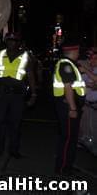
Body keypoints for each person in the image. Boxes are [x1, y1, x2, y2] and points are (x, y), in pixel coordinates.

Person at [0, 32, 37, 158]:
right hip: (1, 94)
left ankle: (14, 150)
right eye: (9, 40)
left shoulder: (25, 56)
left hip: (17, 96)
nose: (11, 42)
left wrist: (34, 94)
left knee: (16, 124)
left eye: (14, 40)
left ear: (19, 42)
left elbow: (30, 75)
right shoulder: (0, 54)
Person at [52, 41, 86, 175]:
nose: (78, 53)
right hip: (67, 106)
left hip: (68, 105)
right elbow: (68, 86)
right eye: (78, 51)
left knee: (69, 138)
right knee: (68, 138)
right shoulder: (66, 65)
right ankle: (63, 168)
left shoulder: (69, 64)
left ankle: (68, 164)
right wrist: (72, 108)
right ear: (74, 52)